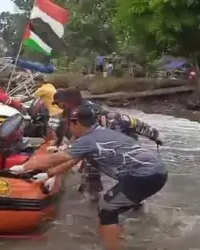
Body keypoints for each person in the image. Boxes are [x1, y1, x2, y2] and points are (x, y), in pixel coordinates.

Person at [10, 105, 167, 250]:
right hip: (154, 172)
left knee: (107, 208)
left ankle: (112, 245)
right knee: (109, 208)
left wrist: (23, 167)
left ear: (76, 122)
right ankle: (113, 239)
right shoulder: (99, 132)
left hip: (146, 174)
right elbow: (73, 160)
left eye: (70, 125)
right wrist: (48, 174)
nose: (70, 129)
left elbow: (54, 158)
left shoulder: (88, 139)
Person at [52, 88, 163, 202]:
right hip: (101, 146)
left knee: (129, 172)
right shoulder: (74, 115)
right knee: (91, 168)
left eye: (60, 104)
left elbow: (132, 123)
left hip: (123, 145)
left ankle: (132, 199)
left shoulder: (104, 116)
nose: (59, 107)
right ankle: (93, 197)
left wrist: (154, 135)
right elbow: (76, 136)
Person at [20, 76, 63, 143]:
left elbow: (30, 97)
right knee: (50, 129)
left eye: (36, 83)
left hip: (55, 112)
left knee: (51, 130)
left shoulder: (42, 89)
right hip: (60, 111)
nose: (35, 85)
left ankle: (54, 145)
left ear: (40, 82)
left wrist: (17, 102)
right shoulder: (49, 85)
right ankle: (52, 143)